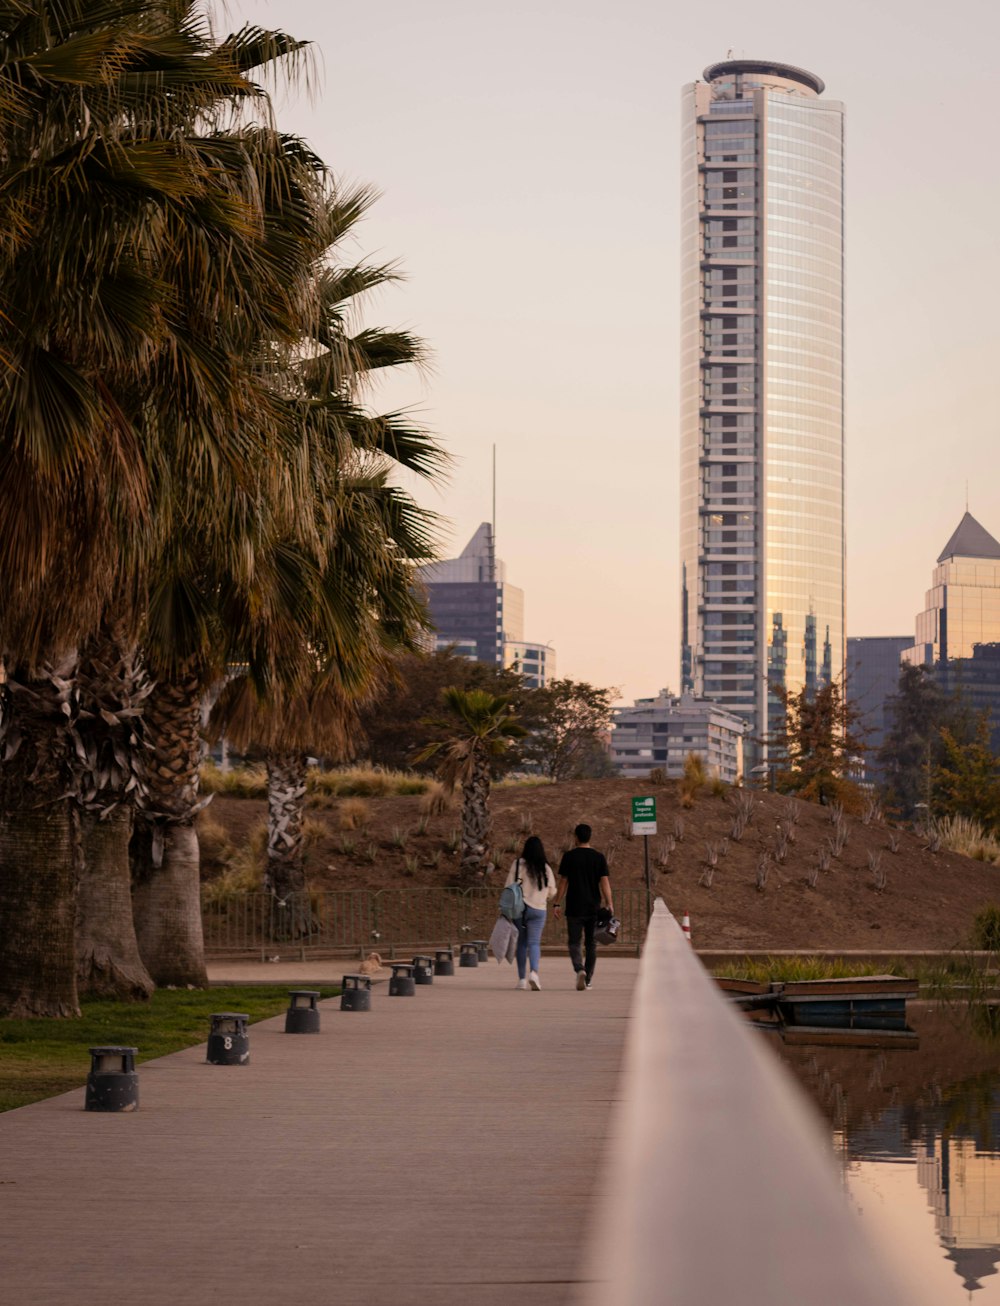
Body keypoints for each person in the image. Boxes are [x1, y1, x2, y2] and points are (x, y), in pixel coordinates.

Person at [554, 823, 613, 990]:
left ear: (576, 838)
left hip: (574, 907)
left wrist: (557, 903)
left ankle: (579, 969)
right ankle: (588, 979)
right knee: (591, 944)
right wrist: (609, 903)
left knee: (574, 942)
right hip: (593, 907)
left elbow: (563, 882)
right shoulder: (598, 857)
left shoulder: (569, 857)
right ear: (590, 837)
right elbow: (605, 883)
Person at [505, 835, 556, 991]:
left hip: (519, 909)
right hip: (538, 909)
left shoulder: (517, 864)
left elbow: (508, 886)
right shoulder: (545, 868)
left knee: (521, 943)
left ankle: (521, 980)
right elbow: (552, 891)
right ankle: (534, 973)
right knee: (534, 943)